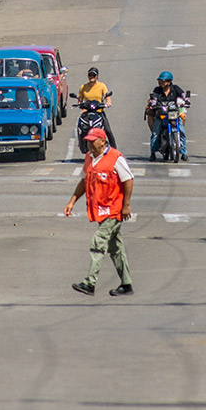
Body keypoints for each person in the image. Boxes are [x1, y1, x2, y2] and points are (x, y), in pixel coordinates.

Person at [64, 127, 134, 297]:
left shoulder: (115, 158)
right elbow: (84, 181)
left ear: (103, 141)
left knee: (99, 242)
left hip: (114, 209)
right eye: (88, 140)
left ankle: (90, 283)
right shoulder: (89, 158)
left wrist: (126, 205)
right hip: (100, 210)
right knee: (116, 247)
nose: (89, 143)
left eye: (93, 140)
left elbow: (128, 179)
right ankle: (126, 284)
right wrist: (72, 201)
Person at [145, 71, 188, 161]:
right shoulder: (157, 90)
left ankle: (184, 153)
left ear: (169, 82)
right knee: (155, 133)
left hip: (174, 114)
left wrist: (186, 101)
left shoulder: (175, 89)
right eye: (160, 81)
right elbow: (154, 98)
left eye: (163, 81)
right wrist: (152, 104)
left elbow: (183, 95)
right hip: (162, 115)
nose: (161, 83)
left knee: (182, 132)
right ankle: (153, 153)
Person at [77, 66, 115, 147]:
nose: (91, 77)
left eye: (93, 75)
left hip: (98, 112)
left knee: (108, 130)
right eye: (90, 75)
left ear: (97, 76)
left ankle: (114, 149)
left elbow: (107, 97)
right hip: (87, 113)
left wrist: (108, 103)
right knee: (80, 126)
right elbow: (80, 99)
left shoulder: (102, 86)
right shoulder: (83, 87)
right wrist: (80, 105)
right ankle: (82, 143)